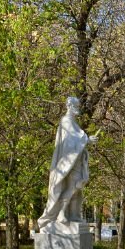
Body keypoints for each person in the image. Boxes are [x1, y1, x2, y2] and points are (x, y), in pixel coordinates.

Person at [38, 96, 98, 230]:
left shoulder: (73, 123)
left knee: (77, 188)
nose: (78, 109)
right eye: (76, 106)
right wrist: (87, 140)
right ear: (69, 106)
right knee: (73, 187)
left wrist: (87, 140)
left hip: (76, 161)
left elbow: (77, 139)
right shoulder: (66, 121)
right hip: (68, 163)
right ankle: (61, 213)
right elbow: (71, 141)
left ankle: (72, 214)